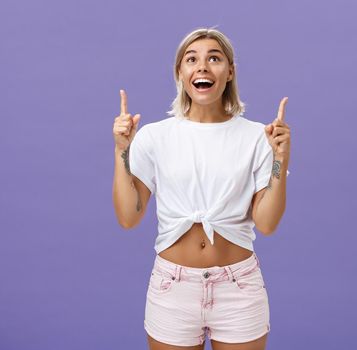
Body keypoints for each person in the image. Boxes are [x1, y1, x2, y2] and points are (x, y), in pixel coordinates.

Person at [112, 27, 291, 350]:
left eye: (214, 58)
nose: (203, 66)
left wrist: (279, 160)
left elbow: (266, 224)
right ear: (180, 73)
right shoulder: (156, 136)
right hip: (173, 289)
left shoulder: (256, 137)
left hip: (238, 288)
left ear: (230, 71)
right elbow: (128, 216)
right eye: (191, 59)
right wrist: (121, 150)